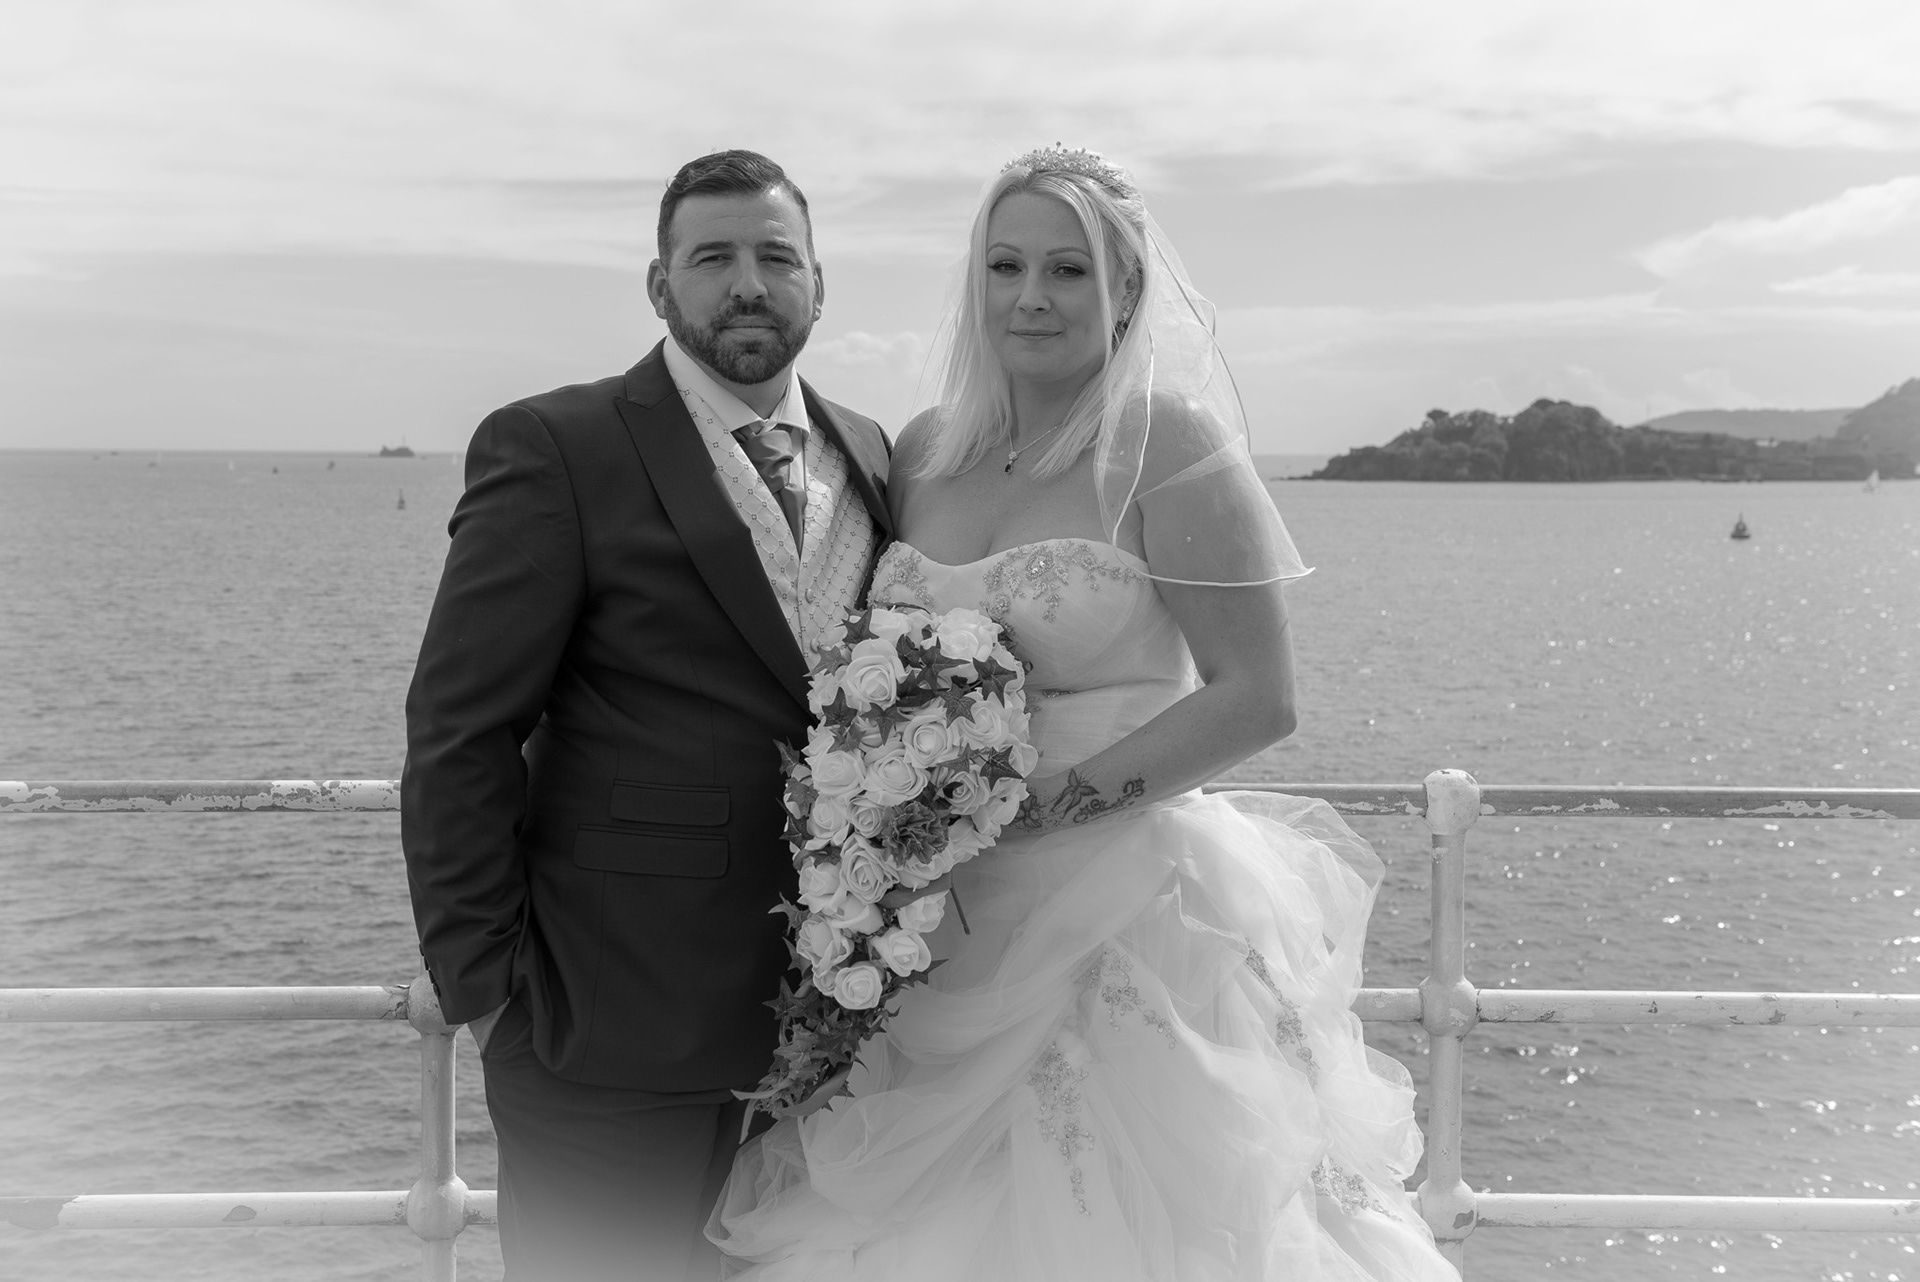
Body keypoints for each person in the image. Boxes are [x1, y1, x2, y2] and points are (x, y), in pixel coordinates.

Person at [707, 147, 1460, 1279]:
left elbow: (1258, 698)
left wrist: (1034, 807)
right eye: (1006, 265)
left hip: (1119, 900)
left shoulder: (1168, 445)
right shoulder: (926, 451)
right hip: (938, 914)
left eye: (1070, 271)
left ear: (1127, 293)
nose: (1032, 297)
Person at [401, 149, 892, 1281]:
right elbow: (459, 730)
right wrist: (490, 997)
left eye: (776, 257)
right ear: (661, 286)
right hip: (602, 1037)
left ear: (819, 284)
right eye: (713, 257)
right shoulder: (557, 445)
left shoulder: (869, 452)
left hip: (830, 1041)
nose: (748, 284)